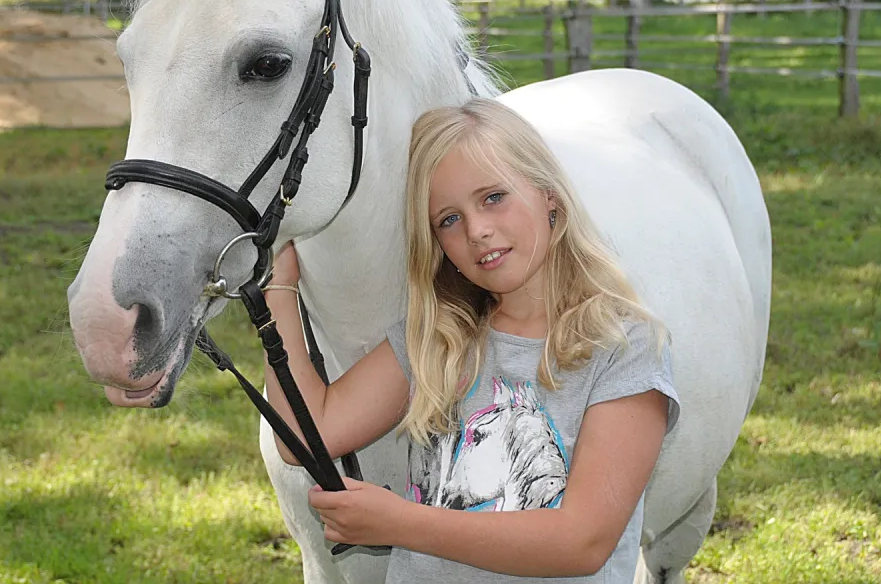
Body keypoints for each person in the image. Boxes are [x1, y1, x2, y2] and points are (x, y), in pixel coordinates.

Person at [262, 98, 681, 582]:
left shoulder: (624, 347)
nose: (478, 231)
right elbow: (308, 434)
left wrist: (400, 523)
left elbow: (582, 542)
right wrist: (278, 287)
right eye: (449, 220)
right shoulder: (442, 341)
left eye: (493, 197)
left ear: (549, 194)